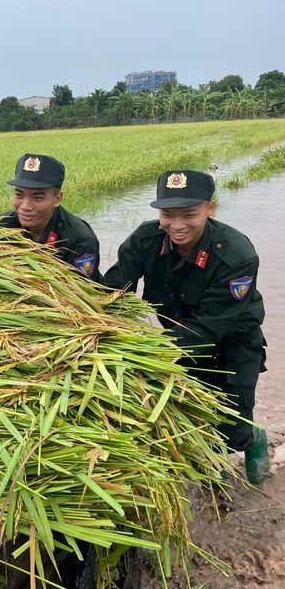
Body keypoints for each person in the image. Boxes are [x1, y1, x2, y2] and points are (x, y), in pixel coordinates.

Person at [103, 169, 270, 484]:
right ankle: (210, 480)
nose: (176, 225)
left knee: (231, 430)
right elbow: (114, 292)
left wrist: (148, 350)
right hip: (176, 340)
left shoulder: (236, 256)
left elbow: (209, 328)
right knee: (186, 419)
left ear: (211, 208)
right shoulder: (145, 240)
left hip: (232, 342)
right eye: (167, 214)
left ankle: (254, 446)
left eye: (189, 214)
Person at [0, 153, 101, 281]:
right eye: (19, 195)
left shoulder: (79, 240)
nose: (25, 206)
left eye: (38, 197)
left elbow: (83, 294)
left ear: (57, 199)